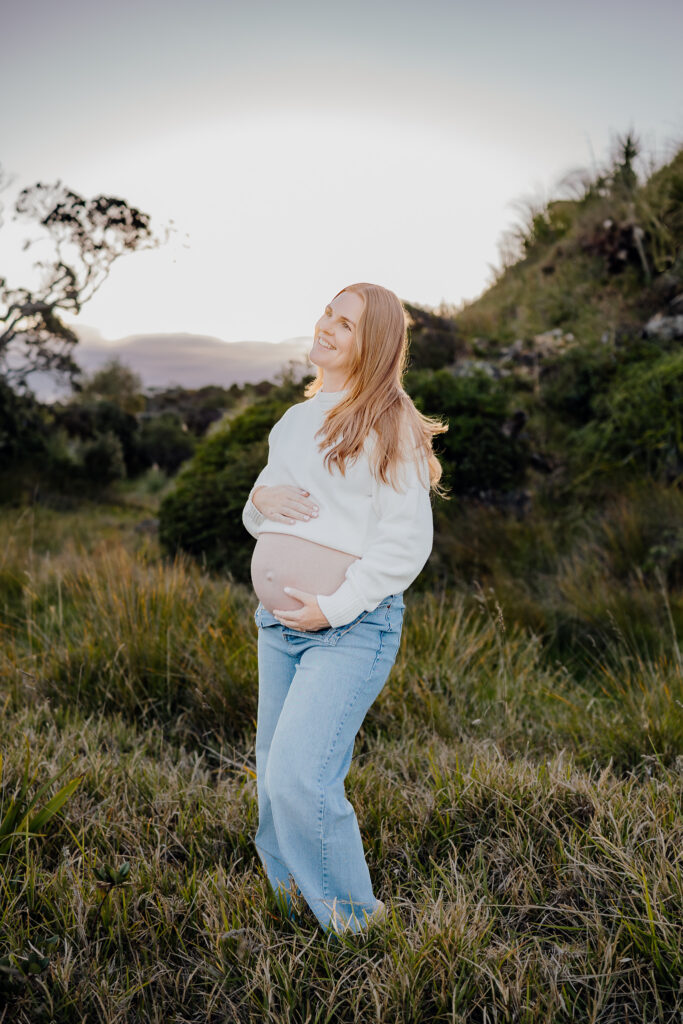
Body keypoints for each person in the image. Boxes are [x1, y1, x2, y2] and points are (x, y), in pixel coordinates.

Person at [242, 282, 448, 938]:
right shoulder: (293, 421)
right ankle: (292, 911)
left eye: (347, 324)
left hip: (349, 628)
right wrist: (257, 503)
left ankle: (358, 931)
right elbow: (264, 512)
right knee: (273, 779)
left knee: (300, 777)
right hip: (277, 627)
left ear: (375, 344)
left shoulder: (390, 422)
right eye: (328, 313)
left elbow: (406, 543)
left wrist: (333, 608)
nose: (326, 326)